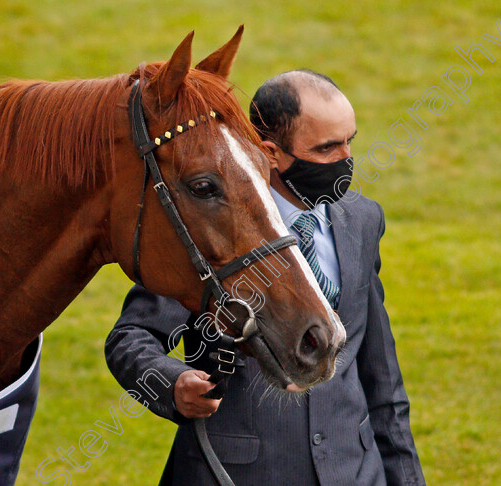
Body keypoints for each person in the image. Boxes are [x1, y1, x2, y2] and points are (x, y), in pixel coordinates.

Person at [105, 70, 425, 485]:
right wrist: (174, 385)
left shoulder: (361, 219)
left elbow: (383, 380)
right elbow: (130, 339)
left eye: (350, 141)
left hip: (355, 471)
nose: (346, 160)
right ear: (271, 153)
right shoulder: (212, 227)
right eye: (327, 148)